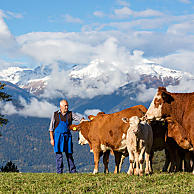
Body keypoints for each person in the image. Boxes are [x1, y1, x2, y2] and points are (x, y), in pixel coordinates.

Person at [49, 99, 82, 174]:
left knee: (69, 154)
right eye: (65, 106)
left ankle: (73, 171)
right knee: (59, 155)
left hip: (67, 136)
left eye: (67, 106)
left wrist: (83, 121)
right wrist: (52, 139)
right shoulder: (55, 114)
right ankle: (59, 172)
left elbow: (80, 119)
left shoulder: (71, 114)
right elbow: (51, 128)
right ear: (60, 106)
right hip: (58, 136)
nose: (67, 107)